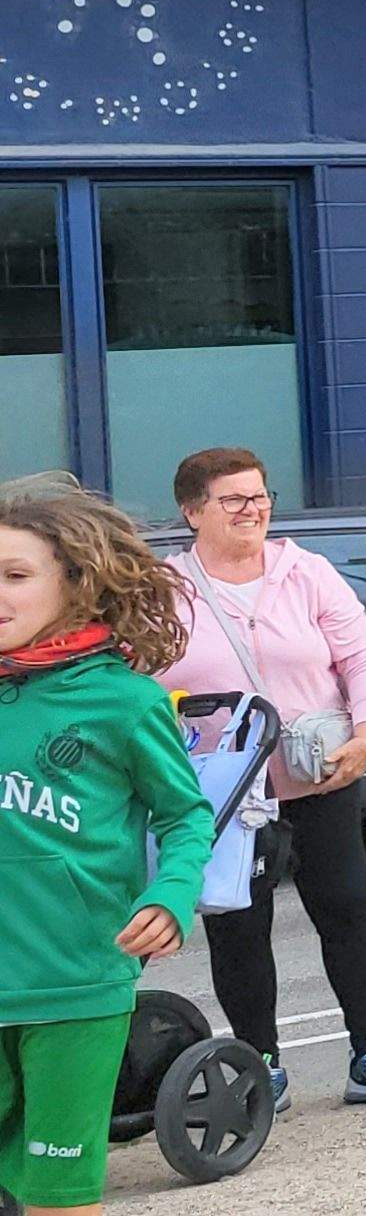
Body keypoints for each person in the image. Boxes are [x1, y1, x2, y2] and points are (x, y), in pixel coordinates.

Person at [149, 445, 366, 1110]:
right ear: (193, 511)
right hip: (223, 788)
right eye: (235, 499)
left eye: (261, 496)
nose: (254, 509)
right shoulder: (164, 589)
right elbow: (140, 678)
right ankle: (260, 1063)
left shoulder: (308, 573)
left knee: (347, 906)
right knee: (239, 925)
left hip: (319, 772)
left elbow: (361, 655)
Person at [0, 478, 214, 1216]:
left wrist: (172, 894)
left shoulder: (125, 701)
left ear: (78, 584)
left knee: (59, 1197)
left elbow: (186, 817)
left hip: (75, 983)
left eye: (16, 576)